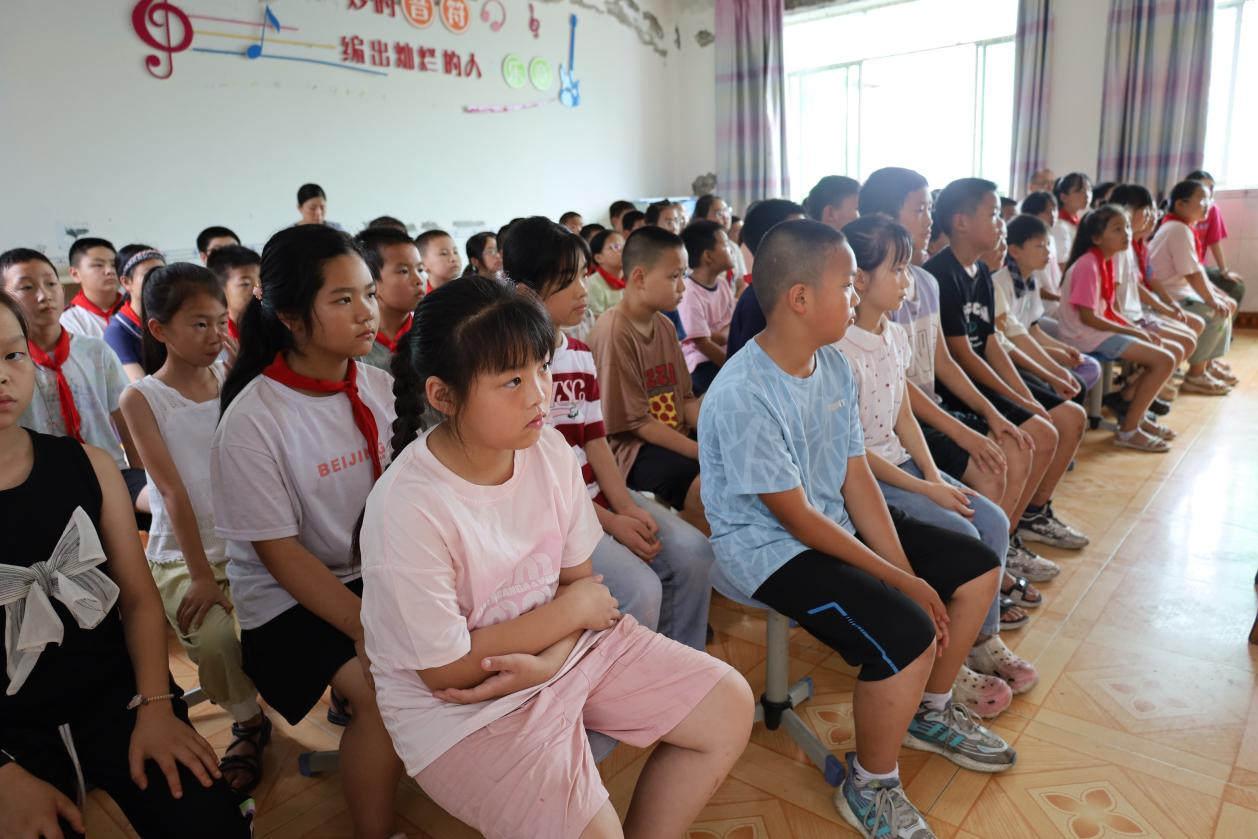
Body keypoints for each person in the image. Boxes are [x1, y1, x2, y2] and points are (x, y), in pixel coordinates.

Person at [359, 276, 752, 839]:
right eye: (512, 380)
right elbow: (446, 668)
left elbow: (579, 585)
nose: (539, 395)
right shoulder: (407, 505)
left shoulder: (548, 450)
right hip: (461, 706)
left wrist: (553, 658)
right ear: (443, 396)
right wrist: (571, 616)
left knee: (728, 704)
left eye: (542, 368)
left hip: (562, 653)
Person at [700, 219, 1013, 839]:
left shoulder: (830, 365)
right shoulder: (743, 391)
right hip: (769, 549)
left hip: (829, 522)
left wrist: (904, 571)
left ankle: (927, 711)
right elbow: (796, 518)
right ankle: (870, 784)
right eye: (846, 284)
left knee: (977, 566)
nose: (856, 293)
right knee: (907, 632)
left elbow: (856, 479)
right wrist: (902, 584)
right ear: (800, 297)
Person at [0, 290, 251, 839]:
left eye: (13, 354)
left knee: (208, 823)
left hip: (119, 698)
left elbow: (138, 599)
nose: (2, 375)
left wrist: (156, 705)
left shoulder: (87, 465)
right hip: (9, 736)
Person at [212, 225, 404, 838]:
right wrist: (365, 626)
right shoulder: (254, 420)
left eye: (368, 293)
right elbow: (280, 556)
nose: (367, 312)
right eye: (343, 299)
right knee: (382, 691)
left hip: (370, 572)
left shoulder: (378, 387)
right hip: (287, 598)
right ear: (291, 317)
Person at [838, 215, 1038, 715]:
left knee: (992, 520)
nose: (908, 281)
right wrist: (928, 491)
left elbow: (904, 413)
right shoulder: (838, 350)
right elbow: (853, 453)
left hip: (904, 465)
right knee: (963, 533)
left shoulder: (892, 334)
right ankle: (945, 670)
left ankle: (982, 638)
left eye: (907, 268)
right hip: (870, 480)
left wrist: (932, 475)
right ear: (859, 278)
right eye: (897, 269)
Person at [504, 216, 715, 652]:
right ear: (526, 292)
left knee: (694, 552)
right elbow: (539, 480)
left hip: (598, 496)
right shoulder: (514, 369)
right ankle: (629, 679)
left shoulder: (579, 355)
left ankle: (681, 665)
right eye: (567, 281)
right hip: (555, 514)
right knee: (641, 589)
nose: (583, 290)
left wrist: (625, 507)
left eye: (584, 275)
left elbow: (595, 441)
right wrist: (613, 521)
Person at [859, 168, 1052, 588]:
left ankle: (994, 560)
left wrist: (993, 414)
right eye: (919, 209)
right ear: (884, 218)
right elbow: (899, 398)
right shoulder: (870, 304)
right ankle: (974, 573)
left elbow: (943, 362)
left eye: (930, 208)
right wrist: (963, 436)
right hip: (902, 432)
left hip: (921, 419)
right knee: (988, 471)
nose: (930, 220)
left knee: (1016, 446)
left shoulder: (924, 283)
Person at [118, 264, 270, 794]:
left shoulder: (231, 377)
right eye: (198, 324)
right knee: (217, 640)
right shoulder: (143, 398)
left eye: (220, 322)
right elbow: (172, 492)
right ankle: (248, 722)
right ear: (159, 330)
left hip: (249, 543)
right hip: (184, 554)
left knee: (276, 627)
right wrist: (201, 575)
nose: (214, 335)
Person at [927, 179, 1089, 557]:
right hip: (959, 386)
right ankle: (1004, 543)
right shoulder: (940, 274)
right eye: (994, 214)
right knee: (1038, 435)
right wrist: (1017, 401)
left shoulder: (980, 273)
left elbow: (992, 343)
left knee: (1069, 418)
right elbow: (962, 355)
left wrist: (1025, 395)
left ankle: (1030, 516)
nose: (1002, 224)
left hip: (983, 377)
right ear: (962, 222)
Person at [3, 248, 151, 520]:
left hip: (111, 472)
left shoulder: (96, 351)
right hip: (43, 481)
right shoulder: (11, 366)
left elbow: (125, 421)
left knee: (161, 501)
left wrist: (140, 474)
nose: (44, 295)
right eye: (26, 287)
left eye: (51, 283)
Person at [587, 226, 706, 535]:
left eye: (683, 275)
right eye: (674, 276)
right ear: (639, 277)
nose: (682, 286)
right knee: (703, 486)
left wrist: (713, 434)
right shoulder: (614, 332)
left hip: (671, 433)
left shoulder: (665, 326)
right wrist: (701, 451)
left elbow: (686, 399)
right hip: (633, 449)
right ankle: (696, 553)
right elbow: (637, 424)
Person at [1056, 207, 1177, 451]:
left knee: (1166, 352)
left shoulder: (1104, 261)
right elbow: (1089, 318)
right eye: (1117, 229)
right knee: (1164, 360)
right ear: (1096, 238)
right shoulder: (1087, 264)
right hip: (1084, 336)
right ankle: (1129, 430)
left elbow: (1109, 310)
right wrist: (1134, 332)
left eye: (1127, 227)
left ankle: (1133, 412)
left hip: (1097, 332)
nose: (1126, 234)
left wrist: (1135, 328)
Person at [996, 215, 1104, 399]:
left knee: (1090, 366)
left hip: (1029, 350)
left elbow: (1033, 330)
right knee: (1071, 382)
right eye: (1039, 246)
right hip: (1011, 358)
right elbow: (1005, 342)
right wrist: (1051, 353)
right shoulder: (999, 284)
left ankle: (1057, 394)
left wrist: (1063, 348)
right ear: (1014, 251)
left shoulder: (1032, 280)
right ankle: (1054, 397)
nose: (1047, 252)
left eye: (1048, 245)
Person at [1147, 179, 1238, 394]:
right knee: (1216, 311)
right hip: (1169, 297)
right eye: (1202, 200)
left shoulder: (1182, 227)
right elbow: (1191, 273)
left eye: (1209, 200)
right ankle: (1196, 375)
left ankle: (1207, 364)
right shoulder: (1177, 229)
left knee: (1227, 303)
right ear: (1181, 204)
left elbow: (1196, 268)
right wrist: (1211, 299)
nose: (1207, 205)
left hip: (1179, 292)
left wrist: (1215, 293)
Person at [724, 199, 808, 358]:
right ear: (770, 242)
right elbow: (755, 365)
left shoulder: (788, 291)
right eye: (799, 234)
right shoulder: (760, 302)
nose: (811, 241)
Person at [677, 220, 735, 394]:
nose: (732, 249)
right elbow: (703, 343)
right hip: (701, 361)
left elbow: (733, 322)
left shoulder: (722, 284)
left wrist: (720, 335)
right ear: (708, 256)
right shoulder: (689, 291)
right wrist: (733, 368)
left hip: (725, 353)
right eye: (726, 245)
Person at [354, 226, 423, 371]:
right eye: (404, 271)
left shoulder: (429, 334)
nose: (419, 280)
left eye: (420, 269)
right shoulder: (354, 346)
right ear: (371, 282)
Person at [1186, 169, 1246, 310]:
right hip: (1183, 271)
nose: (1209, 192)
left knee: (1236, 286)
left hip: (1199, 268)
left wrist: (1224, 271)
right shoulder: (1179, 215)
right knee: (1215, 298)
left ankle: (1221, 323)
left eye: (1212, 188)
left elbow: (1214, 242)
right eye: (1204, 188)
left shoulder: (1212, 210)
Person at [105, 245, 167, 382]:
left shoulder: (171, 317)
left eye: (161, 273)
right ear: (126, 282)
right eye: (149, 274)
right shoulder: (117, 331)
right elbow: (140, 385)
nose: (158, 280)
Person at [61, 237, 122, 340]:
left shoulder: (136, 307)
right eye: (98, 265)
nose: (110, 271)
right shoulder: (68, 319)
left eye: (114, 265)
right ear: (75, 274)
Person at [206, 244, 261, 347]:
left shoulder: (278, 327)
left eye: (261, 281)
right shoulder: (215, 340)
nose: (258, 289)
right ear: (220, 290)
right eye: (246, 284)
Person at [1019, 191, 1064, 316]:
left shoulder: (1051, 238)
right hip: (1042, 308)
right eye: (1047, 211)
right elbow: (1034, 286)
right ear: (1032, 214)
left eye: (1054, 209)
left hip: (1055, 303)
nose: (1053, 215)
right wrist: (1060, 298)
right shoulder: (1028, 243)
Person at [1051, 173, 1093, 271]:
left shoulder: (1078, 222)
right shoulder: (1059, 226)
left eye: (1089, 190)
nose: (1087, 195)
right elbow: (1061, 264)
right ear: (1063, 197)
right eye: (1080, 191)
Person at [586, 229, 626, 319]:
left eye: (624, 245)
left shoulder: (631, 279)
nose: (623, 250)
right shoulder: (593, 284)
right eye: (616, 246)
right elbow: (597, 320)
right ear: (598, 258)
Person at [416, 229, 462, 293]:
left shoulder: (471, 290)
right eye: (444, 253)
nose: (454, 258)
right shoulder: (421, 296)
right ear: (423, 264)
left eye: (455, 252)